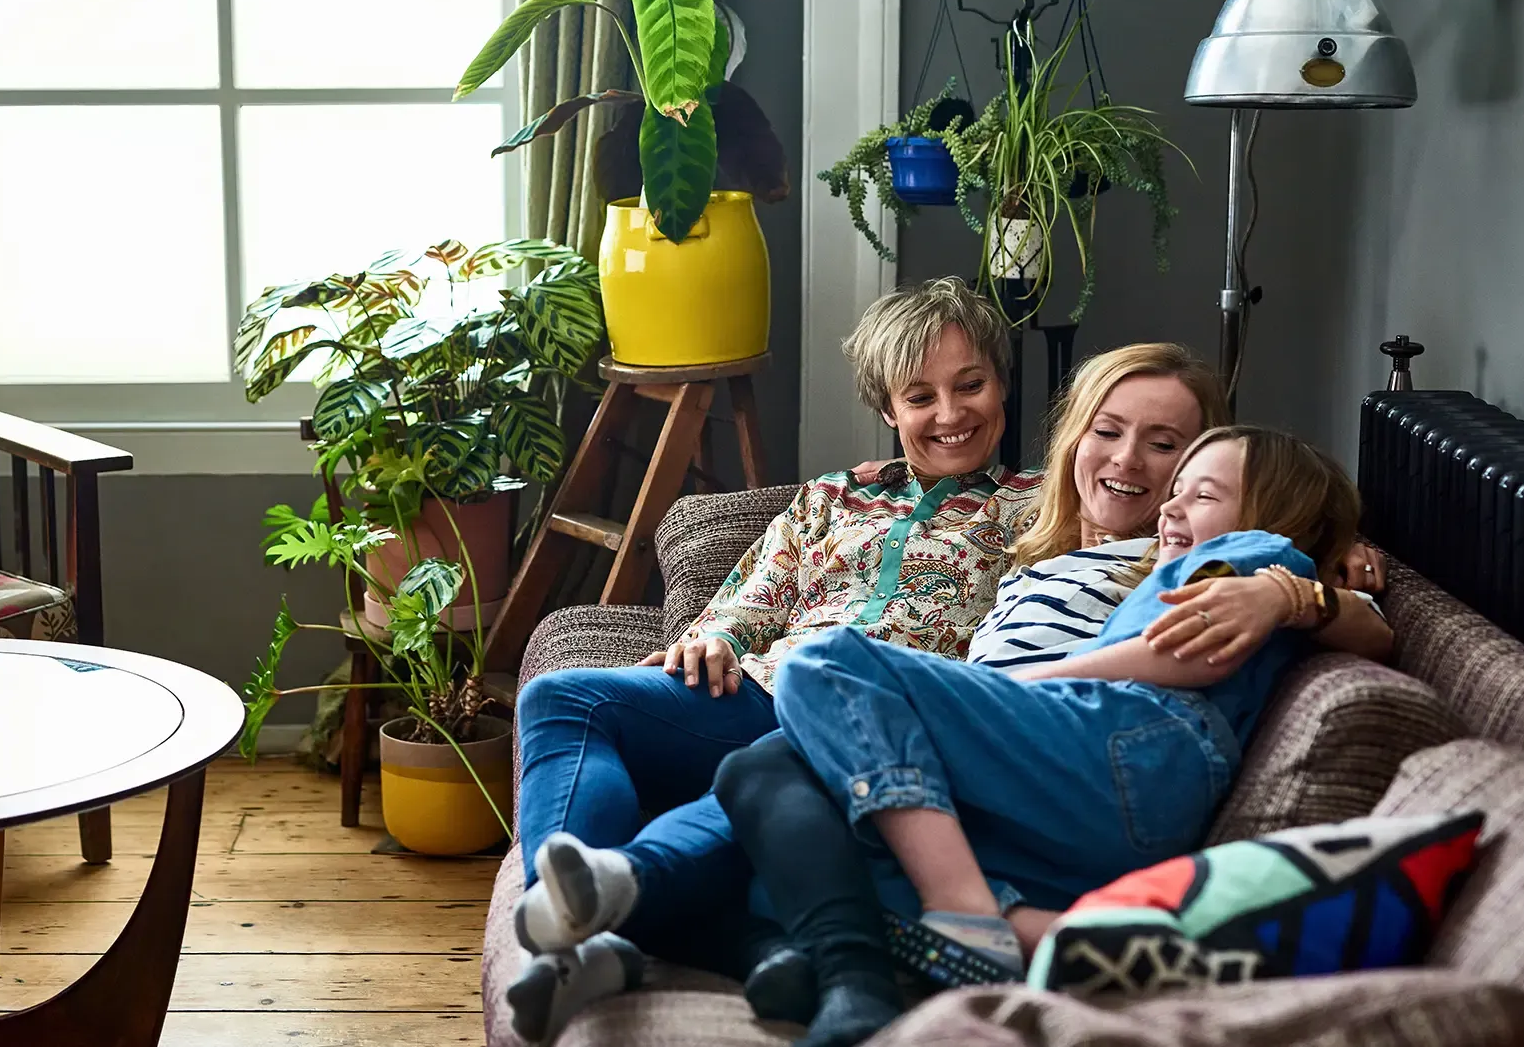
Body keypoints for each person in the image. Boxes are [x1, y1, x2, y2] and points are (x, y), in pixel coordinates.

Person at [503, 330, 1237, 1042]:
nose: (950, 414)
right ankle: (567, 936)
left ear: (1003, 388)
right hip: (763, 689)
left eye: (971, 385)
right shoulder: (832, 498)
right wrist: (714, 637)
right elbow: (747, 598)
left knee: (778, 774)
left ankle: (755, 947)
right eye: (921, 395)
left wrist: (1329, 569)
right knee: (561, 695)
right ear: (889, 409)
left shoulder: (1042, 507)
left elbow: (1238, 514)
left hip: (890, 723)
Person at [717, 426, 1387, 1047]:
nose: (1172, 507)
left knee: (827, 661)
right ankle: (1051, 937)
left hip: (1133, 740)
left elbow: (1194, 652)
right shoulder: (1222, 566)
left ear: (1276, 511)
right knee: (800, 832)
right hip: (1120, 808)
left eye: (1202, 492)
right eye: (1175, 489)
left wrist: (1034, 677)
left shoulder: (1256, 552)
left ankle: (965, 908)